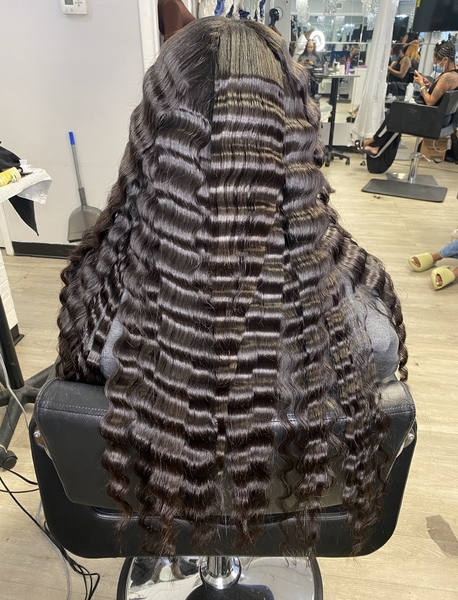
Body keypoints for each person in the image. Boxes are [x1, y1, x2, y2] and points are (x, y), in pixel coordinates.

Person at [56, 17, 407, 558]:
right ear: (297, 142)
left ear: (155, 139)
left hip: (159, 513)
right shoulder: (370, 331)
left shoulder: (106, 325)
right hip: (288, 517)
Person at [364, 40, 458, 170]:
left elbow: (430, 101)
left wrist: (421, 85)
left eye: (437, 60)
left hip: (433, 121)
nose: (436, 63)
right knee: (397, 113)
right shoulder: (455, 74)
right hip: (443, 119)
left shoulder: (447, 77)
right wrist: (429, 85)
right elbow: (441, 94)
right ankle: (375, 143)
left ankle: (374, 142)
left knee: (396, 113)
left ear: (446, 59)